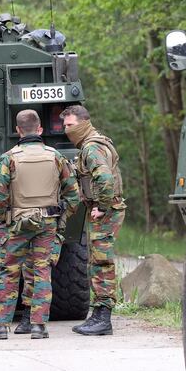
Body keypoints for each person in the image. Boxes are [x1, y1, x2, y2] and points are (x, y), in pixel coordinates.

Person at [0, 109, 79, 340]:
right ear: (40, 130)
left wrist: (6, 218)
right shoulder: (55, 157)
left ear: (17, 131)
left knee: (9, 271)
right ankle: (38, 326)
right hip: (48, 222)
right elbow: (73, 195)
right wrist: (61, 218)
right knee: (42, 271)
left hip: (18, 223)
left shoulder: (8, 158)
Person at [60, 104, 126, 336]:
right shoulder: (94, 143)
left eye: (71, 125)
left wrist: (102, 206)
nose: (67, 130)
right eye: (65, 126)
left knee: (101, 262)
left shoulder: (91, 147)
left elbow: (105, 178)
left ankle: (103, 318)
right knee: (96, 261)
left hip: (106, 211)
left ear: (84, 123)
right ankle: (98, 313)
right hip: (104, 209)